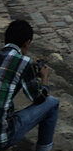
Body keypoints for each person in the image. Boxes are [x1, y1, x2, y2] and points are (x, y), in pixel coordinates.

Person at [0, 20, 59, 151]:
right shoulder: (24, 61)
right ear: (27, 42)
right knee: (52, 103)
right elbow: (38, 98)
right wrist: (44, 78)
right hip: (3, 136)